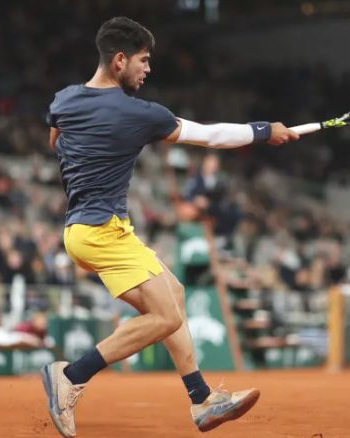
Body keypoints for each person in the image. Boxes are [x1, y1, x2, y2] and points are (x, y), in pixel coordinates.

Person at [41, 16, 299, 437]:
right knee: (164, 316)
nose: (148, 68)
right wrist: (263, 130)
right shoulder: (139, 113)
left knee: (173, 295)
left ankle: (202, 399)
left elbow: (56, 139)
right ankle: (70, 375)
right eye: (143, 60)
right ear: (120, 60)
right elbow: (211, 136)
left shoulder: (65, 100)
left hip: (84, 231)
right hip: (102, 231)